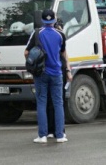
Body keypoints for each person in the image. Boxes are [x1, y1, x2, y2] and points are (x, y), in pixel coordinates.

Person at [25, 9, 71, 144]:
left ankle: (43, 135)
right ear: (54, 20)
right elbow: (63, 53)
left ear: (43, 20)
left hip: (41, 74)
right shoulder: (60, 35)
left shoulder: (37, 33)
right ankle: (60, 135)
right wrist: (67, 70)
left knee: (41, 102)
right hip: (57, 73)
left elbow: (26, 52)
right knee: (58, 103)